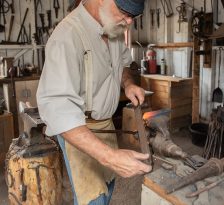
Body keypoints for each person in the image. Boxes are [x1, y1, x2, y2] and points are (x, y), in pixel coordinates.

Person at [36, 0, 152, 204]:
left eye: (133, 17)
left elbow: (123, 64)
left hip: (106, 125)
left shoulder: (113, 28)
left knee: (108, 187)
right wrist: (109, 156)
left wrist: (128, 84)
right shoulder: (67, 35)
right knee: (93, 199)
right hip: (80, 131)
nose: (129, 22)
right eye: (125, 13)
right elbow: (58, 109)